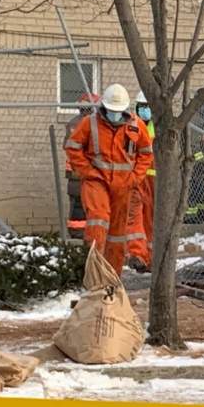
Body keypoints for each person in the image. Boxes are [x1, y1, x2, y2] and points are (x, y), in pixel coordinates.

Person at [63, 84, 153, 274]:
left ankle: (112, 275)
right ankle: (93, 269)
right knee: (98, 218)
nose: (115, 115)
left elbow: (145, 153)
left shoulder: (136, 125)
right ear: (104, 107)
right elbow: (73, 147)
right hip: (97, 181)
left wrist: (135, 177)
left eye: (118, 112)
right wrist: (87, 171)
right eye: (112, 111)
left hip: (124, 184)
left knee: (117, 234)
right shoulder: (90, 123)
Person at [62, 92, 99, 239]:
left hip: (74, 176)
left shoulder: (72, 123)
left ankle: (76, 234)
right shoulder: (95, 124)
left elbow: (66, 146)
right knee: (89, 206)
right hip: (88, 174)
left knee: (76, 207)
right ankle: (88, 236)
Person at [127, 91, 155, 272]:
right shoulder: (132, 126)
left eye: (147, 107)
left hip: (154, 179)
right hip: (137, 177)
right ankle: (139, 255)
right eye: (142, 107)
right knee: (136, 218)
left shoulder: (159, 126)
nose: (145, 110)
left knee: (151, 220)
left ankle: (150, 258)